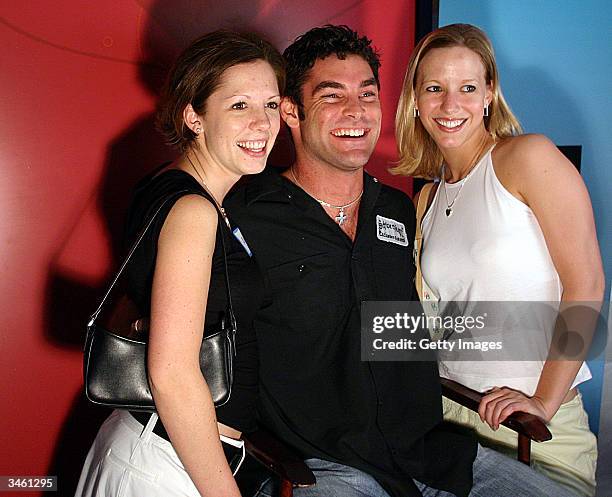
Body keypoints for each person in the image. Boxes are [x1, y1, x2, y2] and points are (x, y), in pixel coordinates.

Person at [226, 24, 579, 497]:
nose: (355, 111)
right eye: (332, 96)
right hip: (323, 466)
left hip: (435, 453)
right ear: (291, 110)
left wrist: (537, 396)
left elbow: (398, 328)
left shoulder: (395, 209)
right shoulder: (244, 215)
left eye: (367, 94)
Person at [394, 23, 604, 497]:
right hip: (452, 416)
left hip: (532, 428)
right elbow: (437, 322)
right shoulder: (427, 198)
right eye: (434, 89)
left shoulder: (529, 157)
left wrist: (544, 403)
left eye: (467, 88)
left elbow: (587, 285)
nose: (451, 105)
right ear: (416, 99)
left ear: (489, 92)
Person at [75, 31, 284, 497]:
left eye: (271, 105)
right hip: (167, 465)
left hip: (161, 453)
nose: (262, 123)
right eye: (239, 106)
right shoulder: (193, 209)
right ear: (194, 116)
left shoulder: (170, 186)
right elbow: (171, 375)